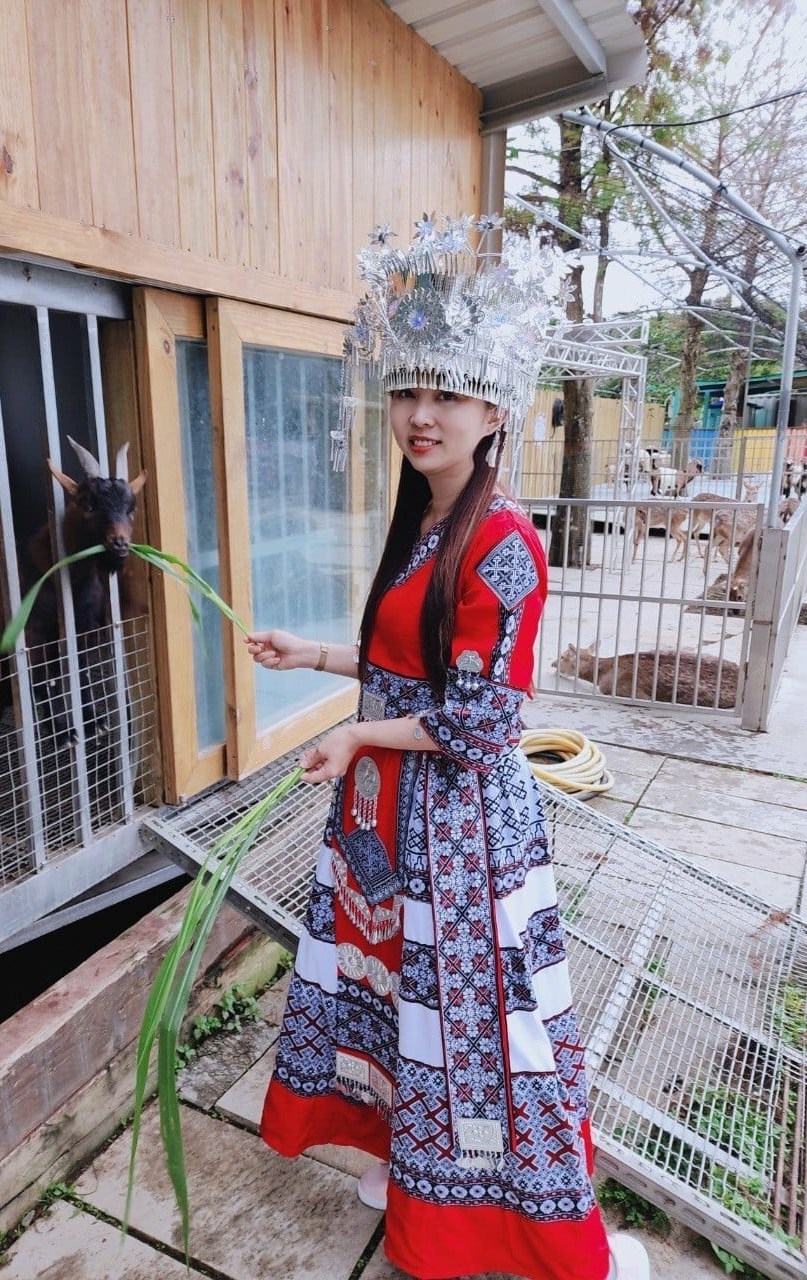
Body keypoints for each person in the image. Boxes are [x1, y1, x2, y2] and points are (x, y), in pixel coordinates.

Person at [246, 215, 649, 1280]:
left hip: (462, 831)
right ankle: (407, 1172)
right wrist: (316, 653)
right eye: (406, 389)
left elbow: (479, 724)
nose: (418, 414)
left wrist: (352, 736)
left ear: (494, 409)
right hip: (391, 816)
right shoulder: (423, 521)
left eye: (448, 393)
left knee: (482, 1031)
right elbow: (408, 669)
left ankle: (528, 1233)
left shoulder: (504, 543)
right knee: (394, 1006)